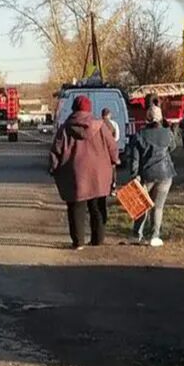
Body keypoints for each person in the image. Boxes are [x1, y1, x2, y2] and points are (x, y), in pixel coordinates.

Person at [50, 95, 119, 250]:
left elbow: (56, 151)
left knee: (76, 207)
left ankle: (78, 241)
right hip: (99, 173)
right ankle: (98, 239)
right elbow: (112, 147)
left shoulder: (65, 128)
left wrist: (54, 168)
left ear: (74, 108)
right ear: (89, 109)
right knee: (97, 206)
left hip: (74, 174)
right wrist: (115, 161)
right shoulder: (100, 126)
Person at [126, 106, 177, 247]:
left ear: (147, 118)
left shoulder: (140, 135)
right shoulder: (167, 133)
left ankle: (137, 234)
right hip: (165, 174)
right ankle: (155, 236)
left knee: (142, 205)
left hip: (146, 175)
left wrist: (134, 175)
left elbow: (134, 159)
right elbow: (173, 147)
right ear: (160, 117)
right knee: (158, 207)